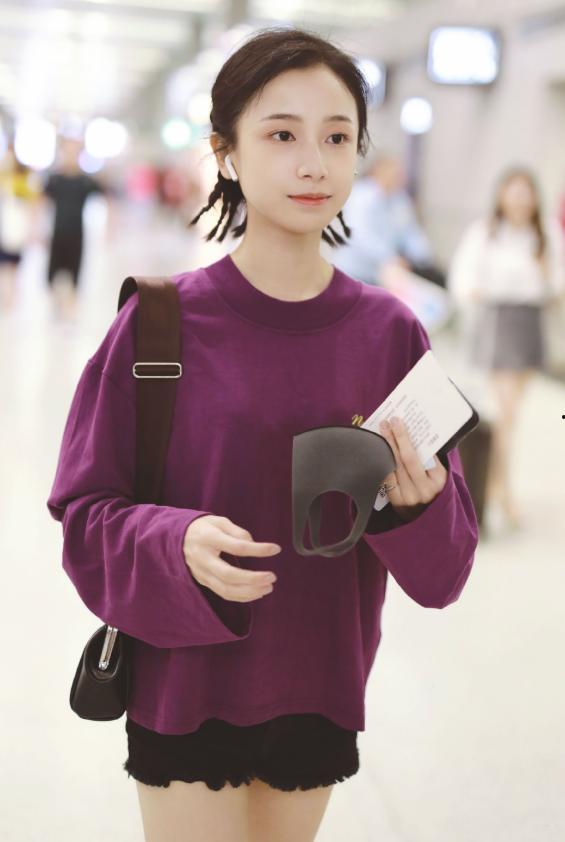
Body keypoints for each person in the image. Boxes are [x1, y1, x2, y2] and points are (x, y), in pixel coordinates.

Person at [46, 27, 479, 842]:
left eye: (337, 137)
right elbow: (84, 513)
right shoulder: (160, 322)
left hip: (319, 680)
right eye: (281, 135)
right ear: (226, 153)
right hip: (184, 683)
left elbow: (445, 572)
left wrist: (414, 507)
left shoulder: (389, 334)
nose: (313, 163)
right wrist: (174, 541)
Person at [448, 166, 565, 529]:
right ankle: (500, 491)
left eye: (526, 192)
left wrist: (542, 274)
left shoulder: (546, 233)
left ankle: (497, 487)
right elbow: (462, 278)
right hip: (497, 321)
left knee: (510, 415)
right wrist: (477, 295)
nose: (520, 199)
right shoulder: (485, 231)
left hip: (529, 323)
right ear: (502, 195)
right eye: (514, 191)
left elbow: (556, 283)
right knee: (505, 414)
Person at [331, 153, 441, 286]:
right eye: (393, 172)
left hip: (379, 274)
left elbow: (410, 232)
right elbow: (359, 233)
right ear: (378, 172)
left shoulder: (399, 199)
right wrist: (390, 257)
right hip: (352, 270)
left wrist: (425, 259)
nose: (398, 177)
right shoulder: (362, 196)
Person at [39, 137, 106, 319]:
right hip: (57, 232)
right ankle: (57, 306)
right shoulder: (54, 179)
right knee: (52, 274)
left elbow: (106, 197)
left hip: (77, 234)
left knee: (75, 274)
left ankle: (70, 312)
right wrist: (36, 229)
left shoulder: (85, 181)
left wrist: (110, 228)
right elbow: (40, 203)